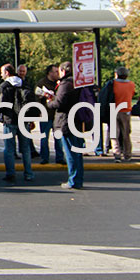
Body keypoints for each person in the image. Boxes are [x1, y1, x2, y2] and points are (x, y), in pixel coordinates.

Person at [47, 62, 84, 190]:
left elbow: (60, 103)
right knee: (77, 152)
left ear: (63, 71)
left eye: (58, 71)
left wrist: (49, 102)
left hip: (66, 121)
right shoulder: (77, 82)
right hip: (77, 120)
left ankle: (73, 180)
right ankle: (78, 179)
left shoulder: (66, 84)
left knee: (70, 153)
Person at [0, 64, 34, 182]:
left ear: (7, 73)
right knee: (26, 148)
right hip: (24, 120)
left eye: (2, 72)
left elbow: (0, 105)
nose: (1, 74)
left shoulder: (4, 86)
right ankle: (28, 173)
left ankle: (10, 174)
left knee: (9, 149)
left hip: (10, 120)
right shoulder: (25, 84)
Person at [34, 64, 64, 165]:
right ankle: (44, 158)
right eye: (55, 71)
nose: (57, 74)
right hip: (45, 114)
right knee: (44, 137)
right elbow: (36, 97)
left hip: (57, 115)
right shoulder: (41, 83)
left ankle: (59, 157)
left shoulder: (60, 83)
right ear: (49, 73)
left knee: (58, 138)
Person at [110, 67, 135, 161]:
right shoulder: (131, 84)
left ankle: (117, 154)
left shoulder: (113, 84)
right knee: (126, 134)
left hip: (114, 109)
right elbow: (132, 94)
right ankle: (127, 154)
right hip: (126, 110)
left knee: (114, 134)